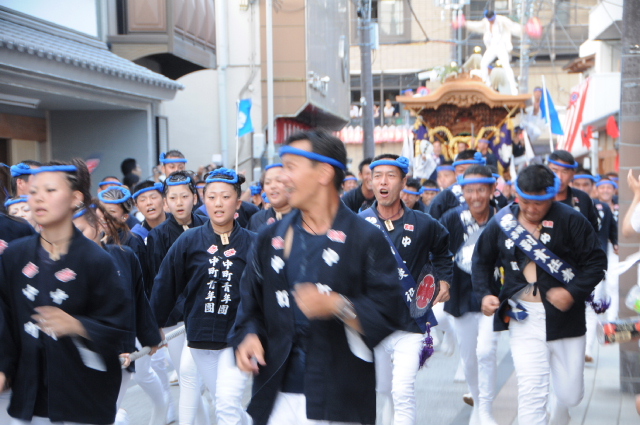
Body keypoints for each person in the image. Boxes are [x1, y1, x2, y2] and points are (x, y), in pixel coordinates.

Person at [231, 130, 403, 425]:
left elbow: (390, 312)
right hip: (278, 392)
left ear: (324, 173)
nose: (282, 177)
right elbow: (249, 305)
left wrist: (338, 305)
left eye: (291, 167)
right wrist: (248, 336)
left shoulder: (365, 238)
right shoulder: (270, 237)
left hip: (339, 399)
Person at [472, 164, 607, 425]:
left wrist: (572, 292)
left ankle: (562, 410)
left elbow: (596, 263)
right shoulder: (503, 222)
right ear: (517, 195)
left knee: (570, 395)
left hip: (566, 318)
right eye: (526, 202)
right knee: (531, 392)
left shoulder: (571, 220)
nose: (532, 209)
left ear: (552, 196)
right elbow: (481, 261)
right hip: (523, 316)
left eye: (539, 203)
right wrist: (484, 294)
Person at [0, 159, 131, 424]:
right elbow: (5, 319)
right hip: (29, 394)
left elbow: (121, 328)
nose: (39, 198)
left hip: (81, 396)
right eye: (34, 191)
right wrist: (3, 368)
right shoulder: (15, 256)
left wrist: (78, 326)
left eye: (50, 190)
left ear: (75, 198)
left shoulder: (97, 260)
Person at [152, 168, 254, 425]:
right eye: (212, 197)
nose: (218, 203)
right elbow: (165, 285)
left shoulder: (254, 243)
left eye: (226, 197)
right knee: (223, 403)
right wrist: (152, 329)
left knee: (227, 404)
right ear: (203, 201)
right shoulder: (189, 241)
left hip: (238, 338)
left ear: (238, 203)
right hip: (200, 337)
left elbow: (266, 292)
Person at [361, 154, 452, 425]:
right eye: (377, 176)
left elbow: (443, 252)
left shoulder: (424, 223)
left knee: (403, 390)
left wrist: (445, 281)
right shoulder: (359, 223)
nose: (383, 182)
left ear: (403, 182)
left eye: (390, 176)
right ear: (371, 182)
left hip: (411, 322)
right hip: (374, 323)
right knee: (382, 389)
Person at [73, 204, 164, 425]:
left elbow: (138, 300)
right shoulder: (65, 267)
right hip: (79, 358)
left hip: (119, 355)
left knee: (104, 414)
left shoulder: (124, 256)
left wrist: (151, 336)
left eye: (81, 230)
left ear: (99, 227)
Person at [440, 165, 501, 425]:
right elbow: (438, 252)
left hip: (492, 296)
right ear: (462, 191)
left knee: (486, 351)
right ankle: (477, 401)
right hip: (461, 295)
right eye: (469, 191)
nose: (475, 196)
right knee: (468, 359)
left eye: (481, 190)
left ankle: (485, 409)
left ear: (492, 189)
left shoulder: (503, 218)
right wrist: (441, 281)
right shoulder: (452, 218)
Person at [147, 171, 209, 425]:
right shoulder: (158, 236)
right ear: (166, 202)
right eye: (173, 198)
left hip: (207, 312)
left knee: (199, 378)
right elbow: (159, 281)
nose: (179, 202)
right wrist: (155, 323)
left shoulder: (209, 225)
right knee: (187, 378)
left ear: (195, 197)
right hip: (174, 319)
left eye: (184, 196)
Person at [460, 10, 521, 94]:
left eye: (492, 19)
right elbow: (476, 25)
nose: (491, 21)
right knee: (483, 63)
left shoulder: (501, 20)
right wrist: (465, 23)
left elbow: (512, 26)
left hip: (501, 46)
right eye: (490, 20)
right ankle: (487, 84)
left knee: (506, 66)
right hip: (492, 47)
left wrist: (523, 29)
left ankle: (513, 88)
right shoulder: (486, 22)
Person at [547, 150, 599, 232]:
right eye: (554, 171)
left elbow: (593, 231)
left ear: (573, 174)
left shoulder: (583, 198)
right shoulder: (537, 198)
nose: (559, 177)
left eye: (565, 171)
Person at [429, 151, 486, 220]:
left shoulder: (490, 192)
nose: (466, 174)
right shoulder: (445, 197)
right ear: (455, 173)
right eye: (461, 170)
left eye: (471, 169)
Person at [248, 164, 293, 233]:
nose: (273, 186)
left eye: (279, 180)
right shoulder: (257, 219)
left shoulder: (304, 217)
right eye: (267, 182)